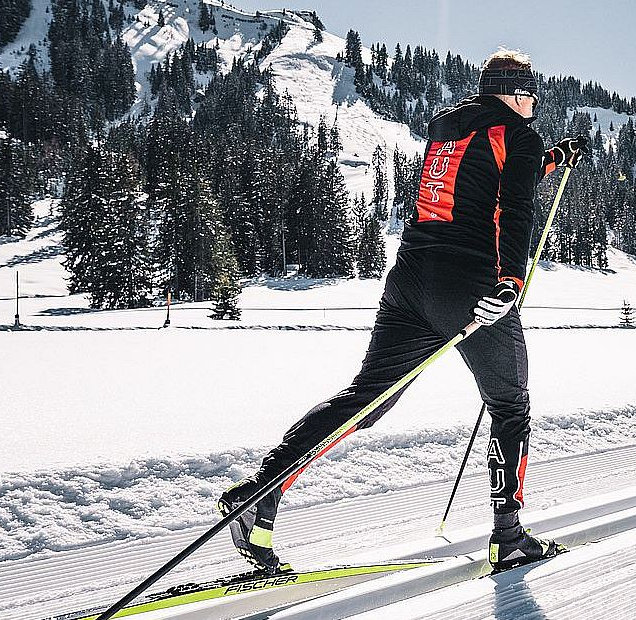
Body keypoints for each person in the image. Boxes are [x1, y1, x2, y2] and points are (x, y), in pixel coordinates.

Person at [218, 49, 586, 573]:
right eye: (529, 91)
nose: (533, 102)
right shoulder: (518, 135)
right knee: (509, 405)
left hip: (410, 278)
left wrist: (550, 159)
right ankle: (508, 535)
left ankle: (260, 493)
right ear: (512, 90)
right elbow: (515, 208)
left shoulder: (450, 128)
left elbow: (481, 178)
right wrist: (509, 282)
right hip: (473, 287)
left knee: (368, 399)